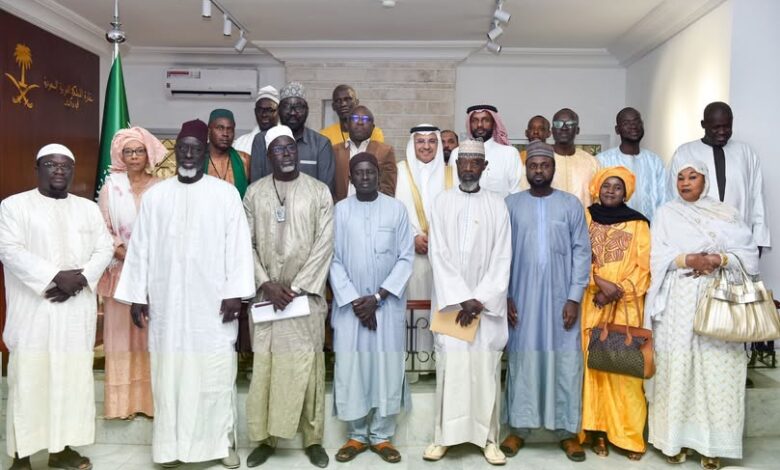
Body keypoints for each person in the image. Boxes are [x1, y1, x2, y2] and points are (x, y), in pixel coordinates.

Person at [114, 119, 255, 469]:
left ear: (205, 152)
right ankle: (170, 448)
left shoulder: (225, 195)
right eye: (184, 148)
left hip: (213, 306)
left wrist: (236, 293)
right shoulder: (156, 197)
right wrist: (137, 295)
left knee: (216, 374)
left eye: (196, 148)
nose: (189, 154)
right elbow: (141, 248)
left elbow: (239, 245)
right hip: (168, 307)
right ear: (176, 152)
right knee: (169, 375)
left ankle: (221, 444)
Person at [0, 144, 114, 470]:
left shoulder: (87, 209)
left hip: (74, 313)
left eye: (65, 165)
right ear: (37, 169)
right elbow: (9, 249)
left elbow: (105, 247)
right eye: (51, 164)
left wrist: (79, 280)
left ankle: (61, 451)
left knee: (70, 382)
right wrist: (54, 277)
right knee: (29, 381)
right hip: (34, 312)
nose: (59, 170)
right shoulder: (14, 206)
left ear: (73, 170)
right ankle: (21, 456)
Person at [645, 157, 759, 470]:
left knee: (716, 369)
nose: (685, 183)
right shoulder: (666, 213)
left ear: (705, 181)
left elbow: (748, 253)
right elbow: (656, 255)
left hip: (718, 297)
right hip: (678, 300)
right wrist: (688, 259)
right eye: (680, 177)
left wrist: (719, 259)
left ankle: (713, 446)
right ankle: (673, 441)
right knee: (676, 367)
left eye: (692, 177)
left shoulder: (726, 213)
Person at [243, 125, 334, 468]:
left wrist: (296, 288)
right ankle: (265, 439)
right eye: (279, 149)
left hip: (305, 299)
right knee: (266, 368)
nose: (286, 154)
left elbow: (325, 244)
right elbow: (244, 244)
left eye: (291, 148)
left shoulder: (319, 192)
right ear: (269, 156)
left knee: (308, 369)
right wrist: (266, 283)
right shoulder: (254, 194)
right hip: (266, 300)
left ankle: (313, 439)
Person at [423, 139, 512, 466]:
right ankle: (442, 438)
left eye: (476, 163)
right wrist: (462, 299)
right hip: (452, 306)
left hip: (485, 310)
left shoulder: (497, 205)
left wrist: (480, 299)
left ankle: (489, 440)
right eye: (464, 162)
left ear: (484, 167)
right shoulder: (442, 202)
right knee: (451, 371)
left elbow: (503, 256)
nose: (469, 168)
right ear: (456, 165)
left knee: (485, 373)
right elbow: (438, 253)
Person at [501, 141, 591, 463]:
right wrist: (505, 295)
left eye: (545, 165)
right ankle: (518, 428)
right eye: (533, 165)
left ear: (553, 168)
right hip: (521, 297)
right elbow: (501, 253)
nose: (539, 170)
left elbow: (582, 251)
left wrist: (574, 297)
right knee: (523, 361)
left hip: (560, 300)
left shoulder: (570, 205)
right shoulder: (511, 205)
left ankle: (567, 432)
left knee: (564, 363)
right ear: (526, 169)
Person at [330, 153, 414, 464]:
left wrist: (377, 298)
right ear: (350, 178)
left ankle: (382, 436)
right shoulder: (340, 211)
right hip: (350, 310)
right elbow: (332, 258)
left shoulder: (397, 210)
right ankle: (356, 435)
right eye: (359, 173)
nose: (365, 177)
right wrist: (356, 301)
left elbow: (406, 258)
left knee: (386, 368)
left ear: (379, 175)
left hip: (386, 307)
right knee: (352, 368)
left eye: (370, 172)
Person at [579, 166, 651, 460]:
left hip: (624, 308)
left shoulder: (638, 223)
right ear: (597, 188)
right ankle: (596, 431)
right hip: (591, 303)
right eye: (606, 185)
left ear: (626, 193)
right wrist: (598, 283)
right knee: (592, 368)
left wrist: (617, 289)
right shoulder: (585, 216)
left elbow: (645, 266)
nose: (610, 191)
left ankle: (627, 436)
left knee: (623, 373)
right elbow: (576, 254)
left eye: (617, 187)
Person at [97, 127, 165, 420]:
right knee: (120, 339)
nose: (134, 156)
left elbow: (167, 231)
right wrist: (125, 253)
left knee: (149, 339)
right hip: (119, 273)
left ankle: (149, 404)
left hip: (154, 274)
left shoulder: (161, 188)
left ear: (148, 154)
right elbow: (102, 230)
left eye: (139, 151)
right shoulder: (110, 188)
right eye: (128, 152)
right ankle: (121, 405)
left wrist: (146, 260)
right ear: (120, 156)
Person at [668, 101, 770, 250]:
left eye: (727, 126)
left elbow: (757, 197)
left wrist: (759, 240)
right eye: (716, 127)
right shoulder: (684, 153)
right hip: (696, 244)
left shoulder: (745, 153)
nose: (722, 131)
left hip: (739, 243)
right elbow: (673, 198)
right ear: (703, 124)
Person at [394, 124, 452, 374]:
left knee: (440, 310)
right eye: (420, 141)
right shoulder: (399, 171)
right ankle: (412, 368)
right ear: (412, 144)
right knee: (412, 310)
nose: (426, 147)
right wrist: (412, 238)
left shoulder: (451, 174)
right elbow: (394, 213)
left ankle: (436, 368)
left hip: (444, 258)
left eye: (431, 141)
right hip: (409, 257)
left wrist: (437, 241)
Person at [250, 82, 335, 191]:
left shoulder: (321, 144)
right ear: (279, 110)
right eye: (287, 107)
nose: (293, 112)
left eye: (298, 107)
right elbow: (256, 187)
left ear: (307, 110)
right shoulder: (261, 140)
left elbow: (325, 191)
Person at [597, 107, 667, 221]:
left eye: (637, 121)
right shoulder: (603, 161)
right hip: (614, 227)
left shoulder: (654, 161)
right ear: (617, 129)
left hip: (650, 228)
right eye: (626, 123)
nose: (633, 126)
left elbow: (664, 199)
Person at [523, 108, 600, 207]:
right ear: (552, 130)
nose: (564, 128)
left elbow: (598, 199)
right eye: (558, 124)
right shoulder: (538, 161)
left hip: (583, 217)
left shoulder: (592, 162)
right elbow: (526, 195)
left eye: (570, 124)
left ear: (577, 130)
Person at [447, 105, 523, 197]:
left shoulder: (510, 153)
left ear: (494, 123)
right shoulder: (456, 153)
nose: (479, 125)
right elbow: (453, 189)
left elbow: (516, 191)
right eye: (475, 121)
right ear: (469, 124)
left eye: (485, 120)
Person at [332, 105, 396, 201]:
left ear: (373, 127)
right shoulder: (334, 151)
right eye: (355, 118)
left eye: (366, 119)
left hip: (374, 208)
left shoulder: (385, 151)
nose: (360, 122)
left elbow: (388, 189)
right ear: (347, 124)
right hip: (342, 208)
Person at [205, 108, 251, 198]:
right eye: (220, 128)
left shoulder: (245, 160)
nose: (225, 133)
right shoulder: (197, 159)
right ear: (209, 130)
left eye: (230, 129)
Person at [234, 85, 279, 154]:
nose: (264, 114)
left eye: (269, 110)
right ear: (255, 112)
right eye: (260, 110)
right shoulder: (240, 143)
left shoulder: (289, 140)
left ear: (278, 111)